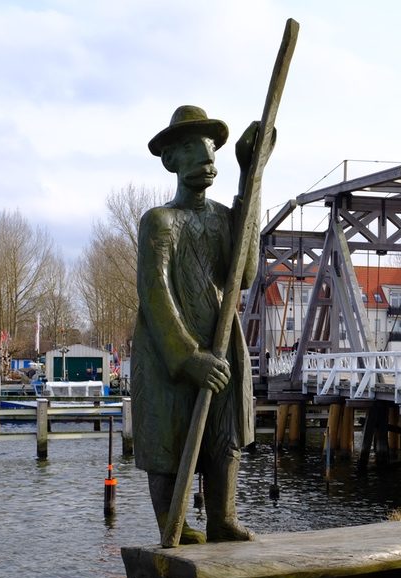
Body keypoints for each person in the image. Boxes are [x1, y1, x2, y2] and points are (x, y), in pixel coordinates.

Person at [132, 105, 265, 544]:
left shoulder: (225, 218)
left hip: (221, 340)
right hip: (172, 354)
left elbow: (243, 275)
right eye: (192, 149)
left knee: (224, 431)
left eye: (211, 149)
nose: (206, 158)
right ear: (171, 160)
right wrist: (187, 357)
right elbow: (155, 294)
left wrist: (253, 173)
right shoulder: (159, 222)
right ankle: (175, 523)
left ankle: (223, 517)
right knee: (169, 436)